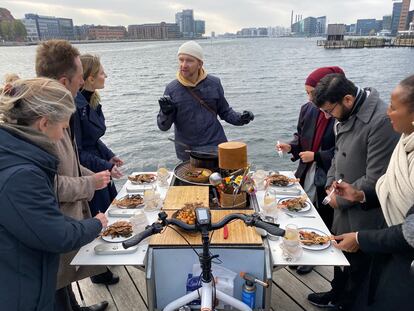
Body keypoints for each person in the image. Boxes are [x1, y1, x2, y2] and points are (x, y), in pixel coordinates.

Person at [0, 78, 107, 311]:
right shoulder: (22, 174)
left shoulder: (13, 154)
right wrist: (96, 224)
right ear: (43, 123)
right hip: (19, 289)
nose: (63, 135)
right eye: (63, 126)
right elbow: (57, 235)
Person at [35, 40, 116, 311]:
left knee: (64, 275)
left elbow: (72, 158)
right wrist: (89, 183)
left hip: (65, 214)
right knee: (55, 278)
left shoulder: (57, 110)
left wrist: (92, 172)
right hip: (49, 219)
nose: (82, 82)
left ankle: (76, 307)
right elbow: (46, 184)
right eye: (80, 76)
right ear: (63, 80)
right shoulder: (40, 121)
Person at [308, 74, 400, 311]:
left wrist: (340, 198)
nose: (327, 117)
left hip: (364, 212)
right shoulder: (347, 113)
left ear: (347, 99)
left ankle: (345, 303)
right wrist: (330, 184)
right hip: (342, 202)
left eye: (330, 111)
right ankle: (335, 293)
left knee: (358, 267)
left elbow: (378, 178)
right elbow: (338, 157)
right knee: (341, 257)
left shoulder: (380, 121)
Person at [332, 75, 414, 311]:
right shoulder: (405, 142)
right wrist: (360, 195)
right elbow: (390, 187)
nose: (387, 112)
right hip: (389, 245)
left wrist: (360, 238)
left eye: (394, 107)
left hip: (404, 261)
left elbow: (410, 231)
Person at [276, 67, 344, 275]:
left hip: (327, 173)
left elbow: (343, 150)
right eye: (307, 93)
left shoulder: (339, 112)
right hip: (306, 170)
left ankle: (314, 254)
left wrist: (317, 156)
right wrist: (291, 146)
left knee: (322, 216)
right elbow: (301, 137)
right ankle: (300, 247)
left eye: (312, 92)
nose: (310, 98)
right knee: (301, 211)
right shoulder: (307, 109)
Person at [157, 40, 255, 161]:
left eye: (189, 60)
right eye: (181, 60)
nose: (184, 64)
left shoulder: (214, 83)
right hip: (188, 152)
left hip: (215, 147)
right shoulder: (171, 89)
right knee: (192, 179)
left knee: (221, 179)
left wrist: (241, 118)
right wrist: (166, 113)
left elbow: (225, 111)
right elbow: (163, 127)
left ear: (200, 64)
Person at [74, 53, 123, 217]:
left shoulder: (91, 101)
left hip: (98, 166)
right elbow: (77, 152)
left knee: (110, 212)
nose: (106, 76)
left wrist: (109, 156)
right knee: (101, 216)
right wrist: (105, 165)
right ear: (90, 79)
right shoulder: (75, 108)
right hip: (88, 172)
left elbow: (93, 139)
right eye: (102, 73)